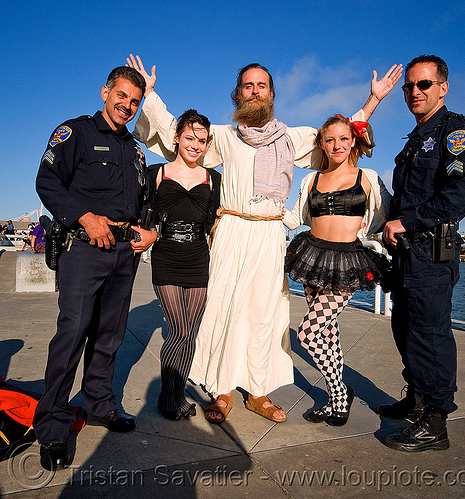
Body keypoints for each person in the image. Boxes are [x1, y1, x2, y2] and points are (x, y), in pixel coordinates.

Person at [129, 54, 402, 424]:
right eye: (248, 86)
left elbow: (340, 136)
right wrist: (151, 96)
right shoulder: (223, 137)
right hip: (231, 231)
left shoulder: (292, 138)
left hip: (270, 234)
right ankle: (222, 390)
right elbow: (180, 135)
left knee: (263, 314)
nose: (254, 91)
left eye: (261, 86)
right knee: (223, 309)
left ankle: (257, 392)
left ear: (271, 94)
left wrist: (373, 101)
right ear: (237, 94)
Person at [34, 66, 157, 471]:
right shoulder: (76, 133)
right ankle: (52, 426)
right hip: (84, 251)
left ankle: (100, 404)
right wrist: (83, 216)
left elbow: (142, 200)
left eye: (135, 101)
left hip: (124, 255)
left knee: (109, 335)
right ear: (105, 92)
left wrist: (147, 229)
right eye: (121, 96)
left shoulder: (135, 149)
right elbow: (47, 182)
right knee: (71, 336)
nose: (127, 105)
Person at [380, 55, 465, 451]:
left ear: (443, 87)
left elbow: (464, 193)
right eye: (409, 87)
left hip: (431, 252)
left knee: (429, 333)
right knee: (404, 328)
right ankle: (418, 399)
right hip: (405, 254)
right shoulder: (413, 141)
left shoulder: (457, 131)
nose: (414, 93)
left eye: (423, 84)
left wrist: (408, 223)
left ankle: (435, 422)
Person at [283, 115, 390, 425]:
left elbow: (384, 214)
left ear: (353, 141)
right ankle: (335, 399)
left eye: (344, 138)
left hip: (346, 263)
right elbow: (293, 218)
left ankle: (341, 394)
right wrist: (253, 213)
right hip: (313, 258)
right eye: (329, 140)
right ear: (322, 145)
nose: (337, 145)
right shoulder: (310, 180)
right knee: (328, 334)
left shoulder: (366, 176)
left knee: (307, 333)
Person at [149, 109, 220, 421]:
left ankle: (176, 396)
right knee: (178, 329)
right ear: (176, 138)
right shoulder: (157, 173)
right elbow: (144, 213)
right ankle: (169, 398)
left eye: (202, 140)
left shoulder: (213, 179)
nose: (195, 145)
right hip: (165, 256)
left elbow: (216, 222)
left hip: (197, 259)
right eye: (190, 137)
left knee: (190, 333)